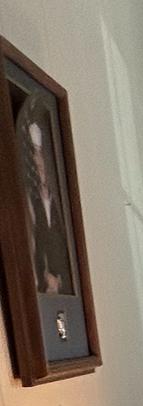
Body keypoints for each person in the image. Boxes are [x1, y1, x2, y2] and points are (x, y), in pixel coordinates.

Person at [22, 115, 74, 297]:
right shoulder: (30, 204)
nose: (37, 162)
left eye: (39, 153)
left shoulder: (63, 204)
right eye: (33, 154)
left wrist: (60, 280)